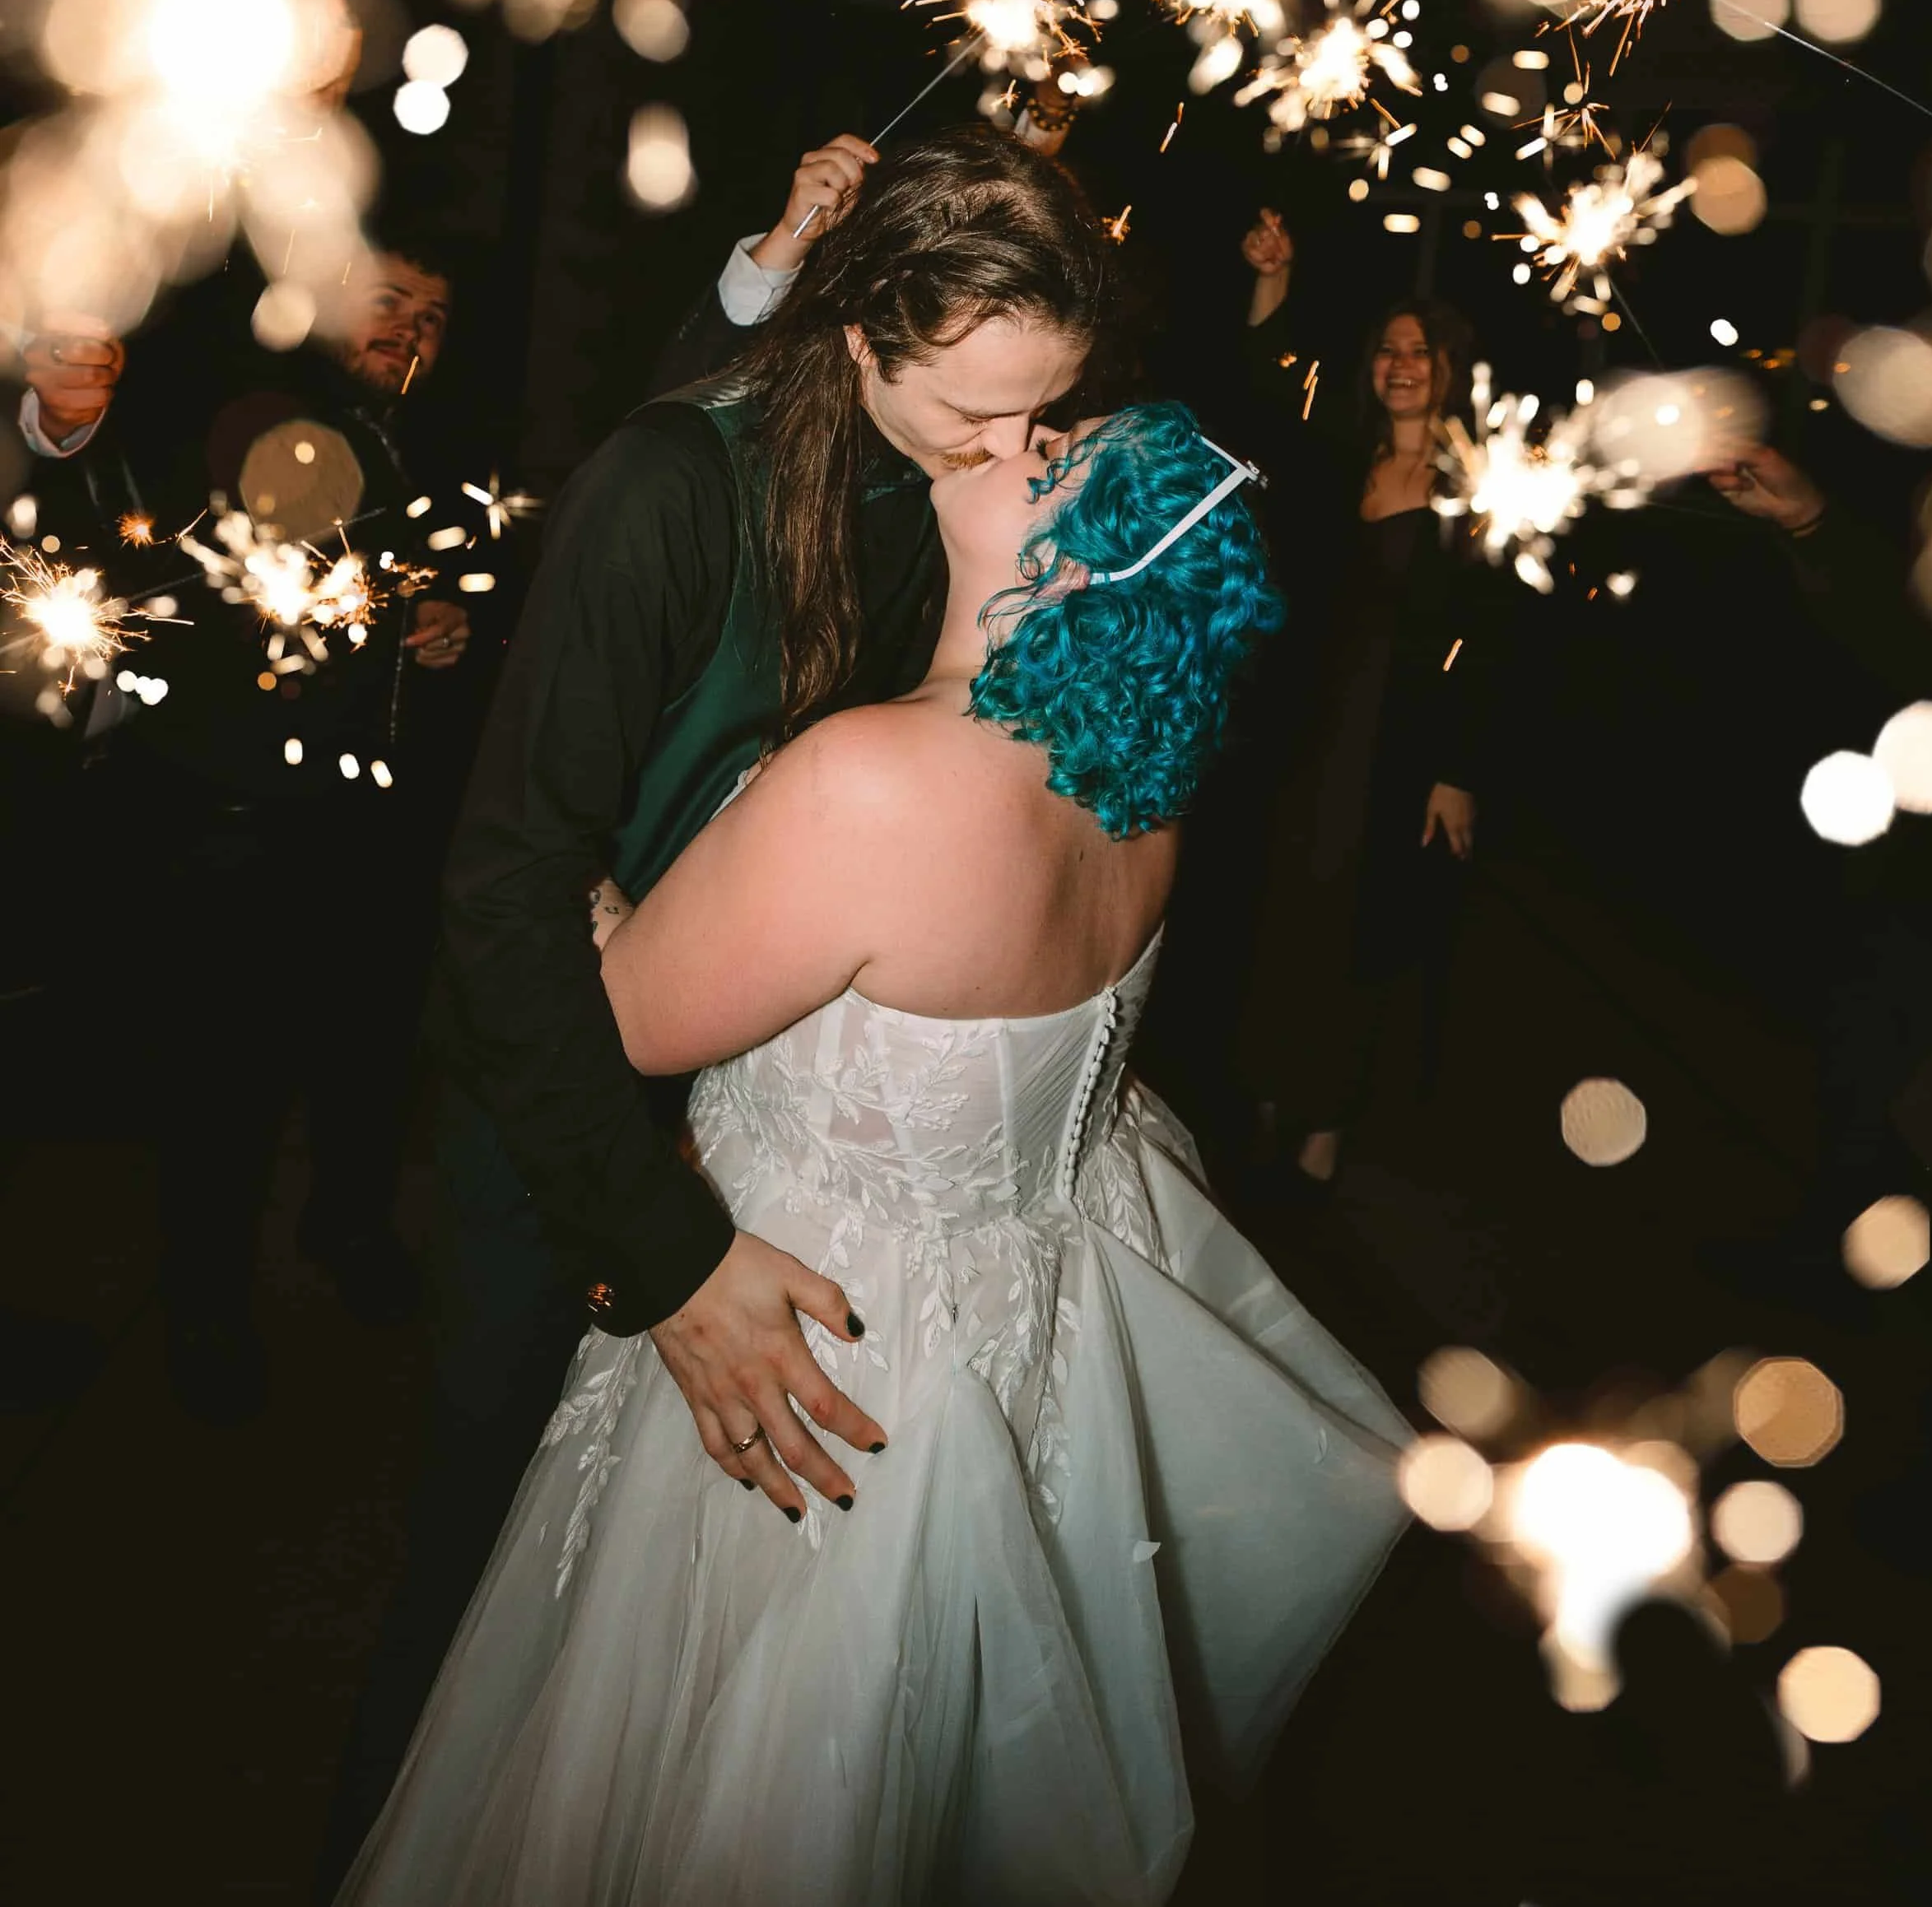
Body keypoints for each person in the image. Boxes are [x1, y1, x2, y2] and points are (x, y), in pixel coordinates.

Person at [336, 400, 1410, 1907]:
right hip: (1003, 1338)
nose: (1011, 431)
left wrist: (570, 859)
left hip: (809, 1361)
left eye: (1052, 453)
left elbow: (632, 1018)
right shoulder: (1140, 786)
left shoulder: (878, 778)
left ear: (1075, 565)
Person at [322, 126, 1113, 1881]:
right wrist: (660, 1255)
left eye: (1043, 416)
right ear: (854, 335)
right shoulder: (666, 487)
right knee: (478, 1617)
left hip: (790, 1143)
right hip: (565, 1136)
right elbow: (505, 891)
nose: (1020, 462)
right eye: (972, 416)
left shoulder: (970, 489)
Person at [103, 223, 474, 1421]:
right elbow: (254, 585)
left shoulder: (417, 442)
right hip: (236, 812)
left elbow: (413, 595)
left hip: (363, 823)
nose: (407, 329)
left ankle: (346, 1225)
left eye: (430, 318)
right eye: (388, 299)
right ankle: (203, 1306)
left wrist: (447, 632)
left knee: (366, 1044)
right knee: (228, 1083)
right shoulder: (260, 411)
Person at [1237, 211, 1487, 1184]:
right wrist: (1273, 282)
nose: (1399, 364)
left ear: (1453, 367)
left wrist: (1458, 772)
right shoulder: (1339, 453)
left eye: (1419, 352)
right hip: (1311, 722)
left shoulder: (1477, 487)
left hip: (1399, 743)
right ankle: (1265, 1086)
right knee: (1285, 907)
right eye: (1387, 349)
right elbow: (1264, 395)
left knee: (1362, 928)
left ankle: (1327, 1116)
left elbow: (1490, 644)